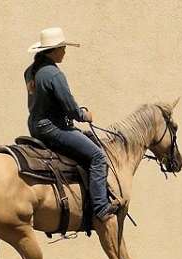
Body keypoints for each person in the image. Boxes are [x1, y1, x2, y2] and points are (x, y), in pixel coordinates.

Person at [24, 27, 120, 222]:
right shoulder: (53, 75)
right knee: (98, 156)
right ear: (52, 51)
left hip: (35, 126)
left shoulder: (30, 72)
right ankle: (101, 208)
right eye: (62, 48)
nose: (64, 52)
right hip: (53, 128)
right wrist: (84, 115)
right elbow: (69, 108)